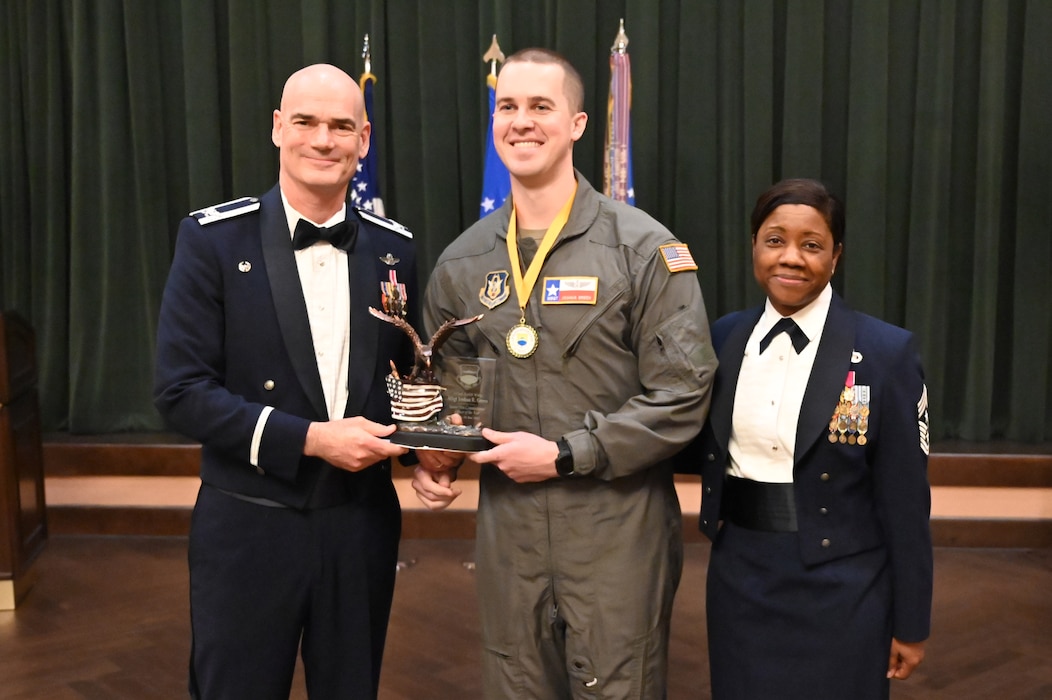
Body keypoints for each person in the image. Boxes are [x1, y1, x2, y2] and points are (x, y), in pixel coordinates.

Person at [411, 48, 717, 699]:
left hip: (616, 531)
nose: (521, 122)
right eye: (508, 107)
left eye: (541, 107)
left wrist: (567, 455)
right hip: (509, 537)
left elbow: (683, 392)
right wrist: (438, 457)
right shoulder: (461, 264)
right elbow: (455, 388)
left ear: (578, 124)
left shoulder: (642, 250)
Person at [154, 64, 419, 699]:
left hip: (361, 527)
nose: (323, 140)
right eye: (305, 122)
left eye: (340, 126)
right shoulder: (213, 240)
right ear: (278, 128)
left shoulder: (395, 250)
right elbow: (180, 391)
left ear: (364, 138)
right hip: (249, 524)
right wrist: (309, 440)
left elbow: (404, 379)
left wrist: (427, 451)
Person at [687, 178, 932, 698]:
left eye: (812, 245)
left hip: (845, 586)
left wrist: (911, 621)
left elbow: (906, 502)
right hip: (740, 577)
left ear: (836, 256)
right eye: (774, 240)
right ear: (754, 245)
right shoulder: (723, 337)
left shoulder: (886, 352)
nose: (791, 258)